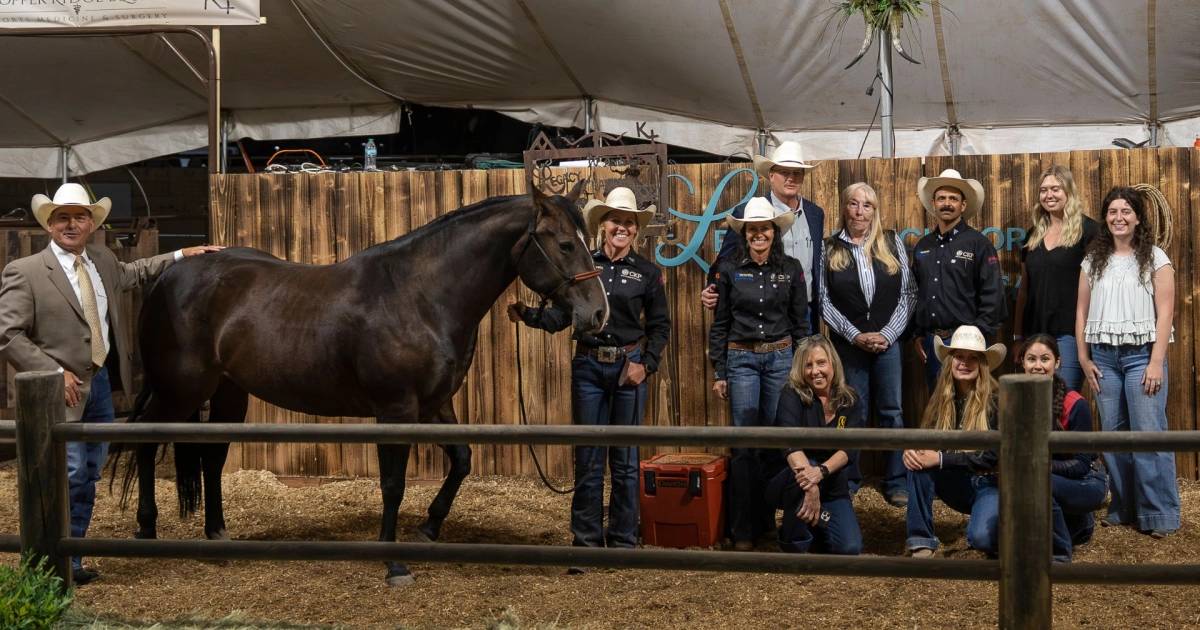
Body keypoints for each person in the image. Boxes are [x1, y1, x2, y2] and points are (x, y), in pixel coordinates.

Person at [0, 183, 222, 585]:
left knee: (88, 474)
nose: (71, 224)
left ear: (91, 224)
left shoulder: (101, 258)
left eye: (79, 217)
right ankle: (48, 565)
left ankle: (74, 559)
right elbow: (9, 334)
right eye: (63, 217)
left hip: (99, 384)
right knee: (65, 474)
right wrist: (53, 371)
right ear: (49, 225)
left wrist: (182, 254)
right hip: (57, 392)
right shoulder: (26, 271)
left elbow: (136, 273)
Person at [508, 186, 670, 566]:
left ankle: (624, 543)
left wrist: (645, 364)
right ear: (602, 224)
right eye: (616, 220)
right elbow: (563, 316)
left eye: (629, 222)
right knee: (589, 458)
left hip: (629, 369)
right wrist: (530, 315)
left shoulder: (647, 273)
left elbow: (660, 327)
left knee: (626, 461)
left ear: (636, 230)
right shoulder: (584, 265)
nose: (623, 227)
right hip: (588, 366)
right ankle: (585, 545)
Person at [1076, 186, 1178, 538]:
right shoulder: (1093, 260)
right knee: (1113, 437)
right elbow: (1081, 311)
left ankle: (1160, 514)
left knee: (1148, 435)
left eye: (1126, 212)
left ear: (1137, 218)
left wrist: (1155, 362)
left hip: (1141, 357)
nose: (1119, 218)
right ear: (1105, 218)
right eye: (1112, 212)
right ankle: (1124, 506)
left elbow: (1165, 313)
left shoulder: (1156, 258)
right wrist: (1083, 356)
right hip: (1103, 356)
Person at [708, 197, 809, 551]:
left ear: (774, 232)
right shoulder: (729, 270)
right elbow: (720, 324)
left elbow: (801, 324)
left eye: (765, 228)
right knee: (745, 450)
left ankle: (769, 525)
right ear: (745, 234)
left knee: (775, 446)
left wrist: (802, 370)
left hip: (782, 360)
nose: (759, 234)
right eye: (753, 229)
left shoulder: (792, 269)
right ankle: (743, 531)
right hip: (742, 361)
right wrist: (719, 371)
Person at [820, 182, 915, 506]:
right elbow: (823, 300)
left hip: (888, 345)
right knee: (849, 412)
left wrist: (888, 334)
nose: (860, 212)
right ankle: (848, 477)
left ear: (875, 210)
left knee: (892, 411)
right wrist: (853, 334)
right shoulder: (828, 247)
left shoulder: (891, 241)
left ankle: (897, 480)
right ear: (844, 207)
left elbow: (908, 293)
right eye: (854, 204)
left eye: (867, 205)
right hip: (848, 347)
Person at [902, 326, 1004, 558]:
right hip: (958, 481)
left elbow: (991, 456)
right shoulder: (942, 398)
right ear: (950, 362)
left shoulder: (997, 401)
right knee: (917, 461)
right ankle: (921, 541)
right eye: (959, 356)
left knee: (981, 540)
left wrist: (938, 458)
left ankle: (1004, 527)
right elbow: (926, 437)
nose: (964, 363)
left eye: (973, 358)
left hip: (991, 483)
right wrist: (913, 449)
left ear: (982, 364)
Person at [702, 141, 825, 327]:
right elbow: (724, 261)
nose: (791, 178)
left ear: (803, 177)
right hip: (765, 313)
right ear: (771, 175)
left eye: (797, 173)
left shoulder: (815, 213)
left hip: (805, 311)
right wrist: (711, 287)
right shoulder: (746, 213)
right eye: (784, 172)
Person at [762, 336, 863, 555]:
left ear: (833, 364)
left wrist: (821, 472)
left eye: (820, 363)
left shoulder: (850, 400)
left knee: (850, 548)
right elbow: (790, 443)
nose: (815, 371)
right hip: (790, 478)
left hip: (831, 481)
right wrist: (811, 481)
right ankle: (794, 545)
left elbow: (849, 449)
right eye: (808, 365)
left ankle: (815, 525)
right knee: (801, 479)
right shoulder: (791, 394)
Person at [910, 169, 1006, 394]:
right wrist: (917, 333)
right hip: (933, 343)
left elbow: (993, 296)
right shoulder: (923, 246)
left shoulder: (979, 244)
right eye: (941, 198)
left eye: (953, 199)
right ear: (933, 204)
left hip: (967, 344)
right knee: (939, 404)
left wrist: (975, 337)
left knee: (970, 403)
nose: (947, 204)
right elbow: (915, 294)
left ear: (963, 205)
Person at [1020, 334, 1108, 561]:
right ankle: (1078, 522)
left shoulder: (1074, 403)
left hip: (1087, 478)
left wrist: (1040, 466)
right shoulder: (1016, 401)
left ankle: (1059, 554)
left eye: (1045, 359)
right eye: (1031, 359)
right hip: (1046, 477)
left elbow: (1080, 464)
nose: (1038, 366)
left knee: (1036, 483)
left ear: (1057, 363)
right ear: (1022, 363)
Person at [1012, 166, 1099, 392]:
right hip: (1035, 334)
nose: (1049, 195)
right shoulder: (1032, 235)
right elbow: (1024, 290)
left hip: (1069, 335)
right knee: (1037, 405)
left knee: (1064, 401)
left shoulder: (1089, 231)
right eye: (1043, 190)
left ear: (1069, 191)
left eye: (1055, 189)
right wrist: (1018, 336)